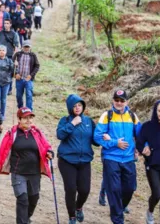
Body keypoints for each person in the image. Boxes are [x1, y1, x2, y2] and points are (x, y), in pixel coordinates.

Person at [0, 107, 53, 224]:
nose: (28, 120)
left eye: (30, 118)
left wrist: (49, 152)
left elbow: (46, 146)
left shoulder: (37, 132)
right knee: (22, 199)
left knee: (34, 199)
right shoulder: (12, 134)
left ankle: (27, 217)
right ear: (19, 119)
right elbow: (2, 153)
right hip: (18, 172)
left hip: (34, 172)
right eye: (25, 118)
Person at [93, 90, 142, 224]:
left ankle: (117, 208)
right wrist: (115, 142)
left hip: (128, 159)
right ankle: (117, 219)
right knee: (113, 189)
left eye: (122, 100)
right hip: (111, 158)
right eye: (116, 100)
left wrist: (141, 147)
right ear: (113, 101)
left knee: (130, 188)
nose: (119, 103)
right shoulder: (106, 115)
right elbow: (97, 136)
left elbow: (141, 134)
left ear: (127, 102)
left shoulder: (132, 116)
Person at [57, 94, 98, 224]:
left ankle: (78, 207)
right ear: (70, 108)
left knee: (85, 190)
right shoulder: (65, 120)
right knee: (70, 189)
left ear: (83, 106)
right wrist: (72, 124)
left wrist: (105, 137)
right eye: (74, 106)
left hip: (85, 161)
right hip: (67, 160)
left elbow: (96, 140)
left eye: (79, 105)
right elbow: (60, 135)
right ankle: (72, 217)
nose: (77, 108)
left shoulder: (89, 122)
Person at [13, 40, 40, 110]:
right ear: (22, 47)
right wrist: (16, 74)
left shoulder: (33, 55)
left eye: (28, 47)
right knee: (19, 95)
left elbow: (37, 66)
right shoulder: (17, 54)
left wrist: (31, 75)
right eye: (25, 47)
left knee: (29, 95)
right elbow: (11, 64)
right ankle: (21, 109)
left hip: (28, 79)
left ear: (30, 47)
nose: (26, 48)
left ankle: (28, 110)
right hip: (19, 79)